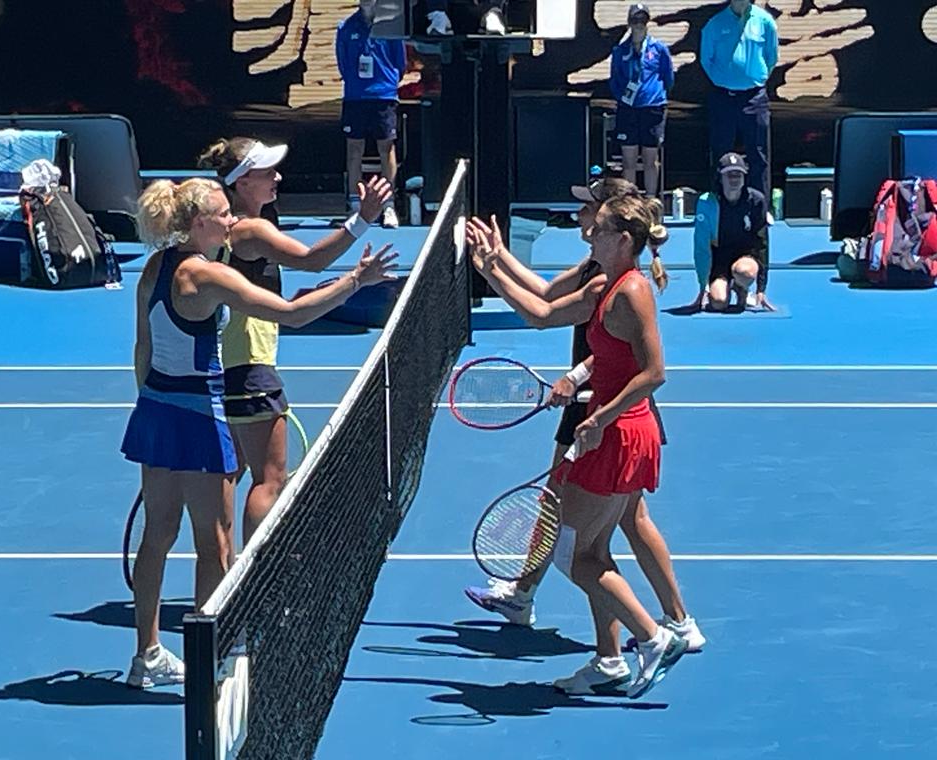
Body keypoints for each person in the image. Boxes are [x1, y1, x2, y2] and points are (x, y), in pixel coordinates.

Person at [121, 177, 396, 688]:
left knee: (158, 534)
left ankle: (147, 655)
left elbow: (143, 349)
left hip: (155, 412)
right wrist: (355, 281)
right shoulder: (208, 278)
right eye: (223, 214)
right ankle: (214, 659)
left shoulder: (155, 268)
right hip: (200, 418)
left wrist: (155, 409)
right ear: (199, 222)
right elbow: (292, 315)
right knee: (215, 543)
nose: (232, 221)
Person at [464, 182, 703, 693]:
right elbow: (542, 314)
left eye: (599, 229)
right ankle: (611, 659)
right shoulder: (603, 287)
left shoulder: (634, 291)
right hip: (604, 427)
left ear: (623, 238)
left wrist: (600, 416)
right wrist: (489, 268)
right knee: (591, 550)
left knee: (573, 554)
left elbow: (654, 372)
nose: (588, 233)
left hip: (618, 433)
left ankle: (656, 635)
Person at [197, 137, 392, 545]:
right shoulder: (251, 230)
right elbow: (311, 260)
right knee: (269, 479)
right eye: (268, 172)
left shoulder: (224, 230)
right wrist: (363, 219)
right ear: (245, 181)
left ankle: (222, 571)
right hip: (249, 367)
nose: (278, 178)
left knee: (227, 475)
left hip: (221, 368)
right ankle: (253, 578)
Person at [336, 0, 405, 227]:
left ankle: (388, 205)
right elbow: (344, 64)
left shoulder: (391, 26)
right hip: (356, 97)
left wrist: (386, 83)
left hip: (384, 96)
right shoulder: (345, 27)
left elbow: (400, 63)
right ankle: (355, 205)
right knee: (354, 148)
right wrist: (358, 85)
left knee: (387, 148)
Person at [699, 0, 778, 197]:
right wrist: (724, 79)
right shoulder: (715, 23)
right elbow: (706, 59)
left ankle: (759, 208)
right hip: (723, 97)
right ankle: (720, 204)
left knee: (758, 155)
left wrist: (752, 78)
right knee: (720, 151)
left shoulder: (765, 21)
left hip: (754, 98)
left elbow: (771, 57)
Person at [692, 152, 774, 312]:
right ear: (720, 178)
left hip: (745, 257)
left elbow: (762, 242)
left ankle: (741, 286)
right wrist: (703, 287)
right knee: (718, 302)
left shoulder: (757, 200)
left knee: (744, 272)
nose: (734, 180)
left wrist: (761, 289)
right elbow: (701, 247)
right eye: (729, 175)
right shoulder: (707, 203)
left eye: (738, 175)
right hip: (719, 258)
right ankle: (725, 284)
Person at [609, 4, 674, 197]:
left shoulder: (659, 49)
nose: (639, 25)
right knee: (628, 160)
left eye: (643, 20)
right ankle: (630, 201)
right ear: (629, 23)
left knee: (650, 158)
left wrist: (656, 95)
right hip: (628, 109)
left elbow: (668, 77)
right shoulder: (620, 51)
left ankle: (651, 200)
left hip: (652, 108)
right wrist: (623, 98)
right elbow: (614, 80)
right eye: (635, 20)